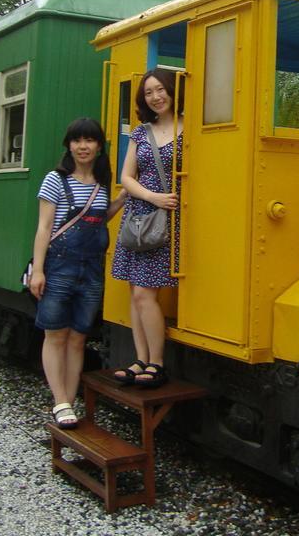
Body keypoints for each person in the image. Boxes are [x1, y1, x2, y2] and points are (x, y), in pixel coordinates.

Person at [29, 117, 126, 428]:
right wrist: (38, 270)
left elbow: (101, 218)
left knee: (78, 339)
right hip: (59, 265)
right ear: (68, 146)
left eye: (89, 141)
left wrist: (122, 198)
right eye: (77, 141)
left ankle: (68, 404)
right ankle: (59, 400)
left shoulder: (101, 182)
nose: (83, 146)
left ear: (99, 146)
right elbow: (44, 227)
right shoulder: (55, 180)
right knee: (55, 335)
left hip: (92, 268)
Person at [111, 68, 183, 389]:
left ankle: (157, 363)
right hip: (141, 213)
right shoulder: (141, 132)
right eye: (149, 92)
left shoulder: (190, 129)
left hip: (167, 221)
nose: (155, 97)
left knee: (144, 292)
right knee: (134, 291)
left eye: (160, 90)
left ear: (172, 90)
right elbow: (126, 177)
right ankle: (141, 359)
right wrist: (153, 196)